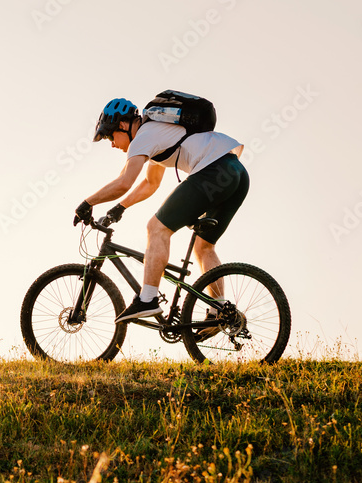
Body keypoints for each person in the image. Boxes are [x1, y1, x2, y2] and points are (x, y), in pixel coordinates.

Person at [72, 97, 249, 330]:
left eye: (110, 136)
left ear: (123, 125)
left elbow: (124, 182)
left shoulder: (144, 136)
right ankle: (219, 311)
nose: (112, 144)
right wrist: (120, 208)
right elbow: (150, 183)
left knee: (156, 228)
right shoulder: (157, 131)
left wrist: (87, 203)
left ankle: (148, 299)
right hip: (237, 173)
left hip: (213, 171)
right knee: (204, 247)